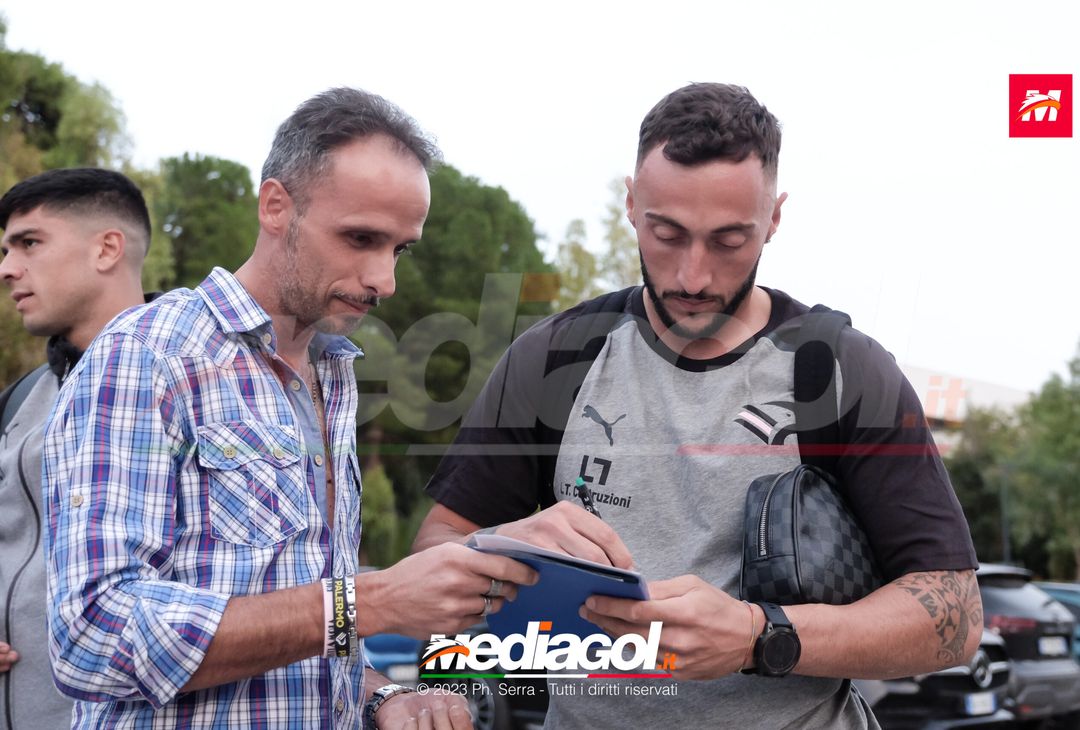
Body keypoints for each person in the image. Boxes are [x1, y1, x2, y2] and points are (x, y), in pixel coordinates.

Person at [413, 83, 981, 729]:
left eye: (729, 241)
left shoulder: (844, 370)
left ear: (774, 217)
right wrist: (492, 561)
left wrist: (757, 637)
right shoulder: (555, 358)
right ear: (631, 203)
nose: (692, 276)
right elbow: (440, 546)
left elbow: (955, 616)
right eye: (667, 233)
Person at [40, 88, 535, 730]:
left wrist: (384, 694)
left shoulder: (333, 371)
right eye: (360, 237)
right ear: (276, 206)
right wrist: (370, 602)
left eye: (399, 249)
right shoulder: (148, 355)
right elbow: (90, 637)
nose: (384, 279)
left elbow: (303, 636)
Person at [0, 167, 155, 730]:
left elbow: (312, 590)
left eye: (30, 243)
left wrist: (443, 690)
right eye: (6, 249)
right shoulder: (19, 401)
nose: (7, 268)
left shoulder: (205, 383)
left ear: (107, 248)